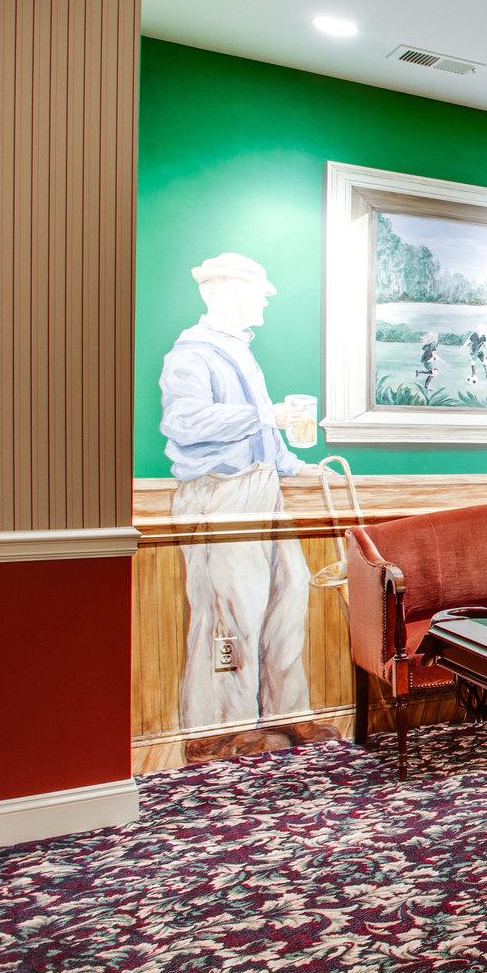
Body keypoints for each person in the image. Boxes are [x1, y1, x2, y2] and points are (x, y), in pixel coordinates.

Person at [157, 252, 319, 731]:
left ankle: (287, 716)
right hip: (219, 494)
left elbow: (260, 437)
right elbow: (182, 422)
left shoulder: (239, 350)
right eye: (256, 295)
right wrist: (265, 415)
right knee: (231, 613)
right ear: (226, 291)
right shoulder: (191, 353)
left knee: (289, 596)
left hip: (262, 489)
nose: (264, 305)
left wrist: (293, 466)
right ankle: (224, 730)